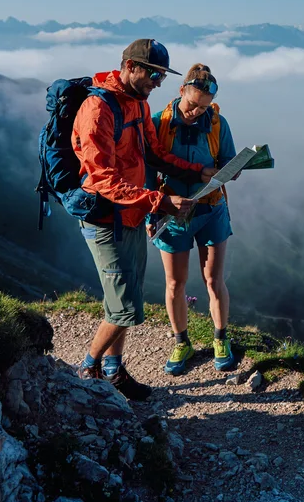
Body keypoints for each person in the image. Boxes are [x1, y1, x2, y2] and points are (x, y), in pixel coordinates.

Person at [73, 40, 218, 400]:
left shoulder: (137, 103)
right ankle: (87, 368)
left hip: (133, 214)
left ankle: (114, 370)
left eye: (161, 76)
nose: (157, 82)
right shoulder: (98, 109)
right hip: (106, 220)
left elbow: (154, 154)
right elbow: (101, 178)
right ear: (129, 66)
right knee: (125, 308)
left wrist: (198, 171)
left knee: (128, 295)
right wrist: (160, 200)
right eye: (152, 73)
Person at [146, 64, 238, 375]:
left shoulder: (217, 123)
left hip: (211, 208)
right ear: (181, 91)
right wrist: (152, 210)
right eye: (192, 104)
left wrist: (232, 170)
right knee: (175, 283)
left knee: (214, 280)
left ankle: (220, 338)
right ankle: (181, 342)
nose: (195, 112)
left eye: (203, 107)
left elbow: (227, 160)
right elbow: (146, 171)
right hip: (171, 213)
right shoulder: (158, 123)